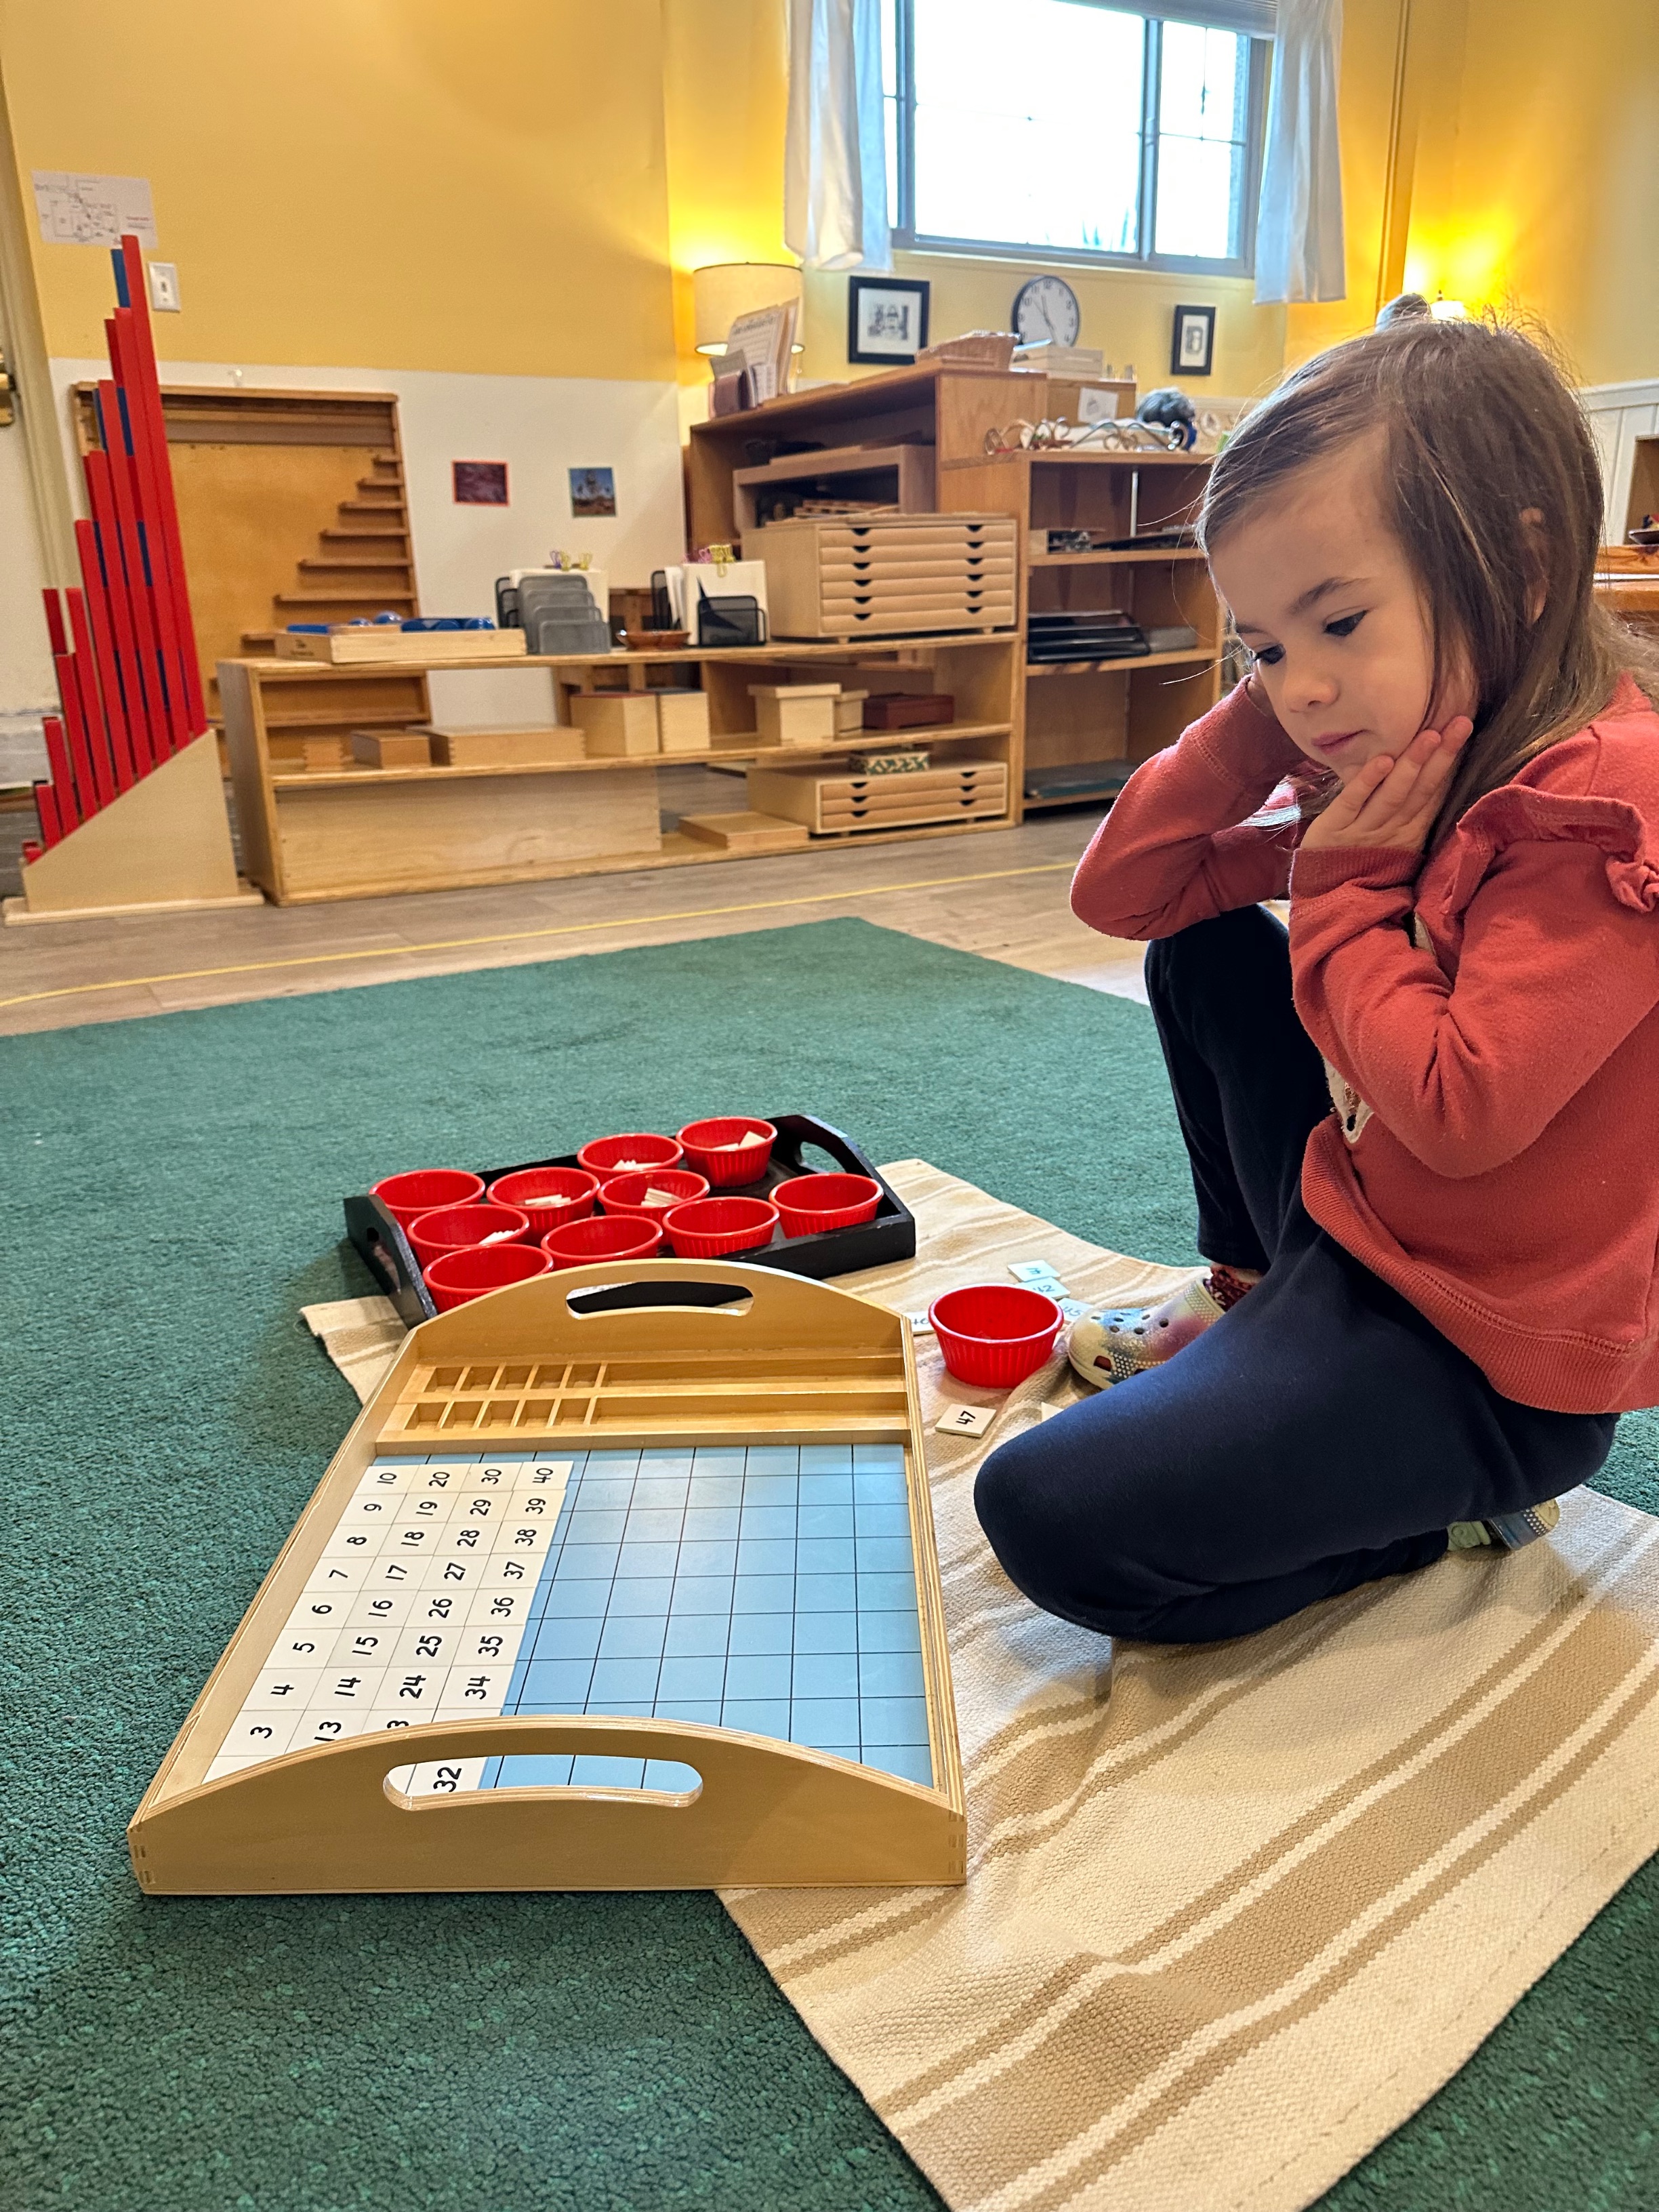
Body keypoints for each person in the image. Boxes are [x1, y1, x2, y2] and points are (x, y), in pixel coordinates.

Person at [974, 316, 1659, 1646]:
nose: (1306, 684)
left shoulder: (1606, 806)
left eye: (1338, 618)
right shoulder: (1400, 741)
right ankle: (1245, 1286)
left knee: (1052, 1518)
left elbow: (1466, 1115)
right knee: (1208, 950)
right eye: (1263, 643)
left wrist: (1341, 895)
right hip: (1360, 1231)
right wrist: (1263, 709)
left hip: (1486, 1361)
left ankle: (1442, 1508)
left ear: (1520, 568)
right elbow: (1127, 897)